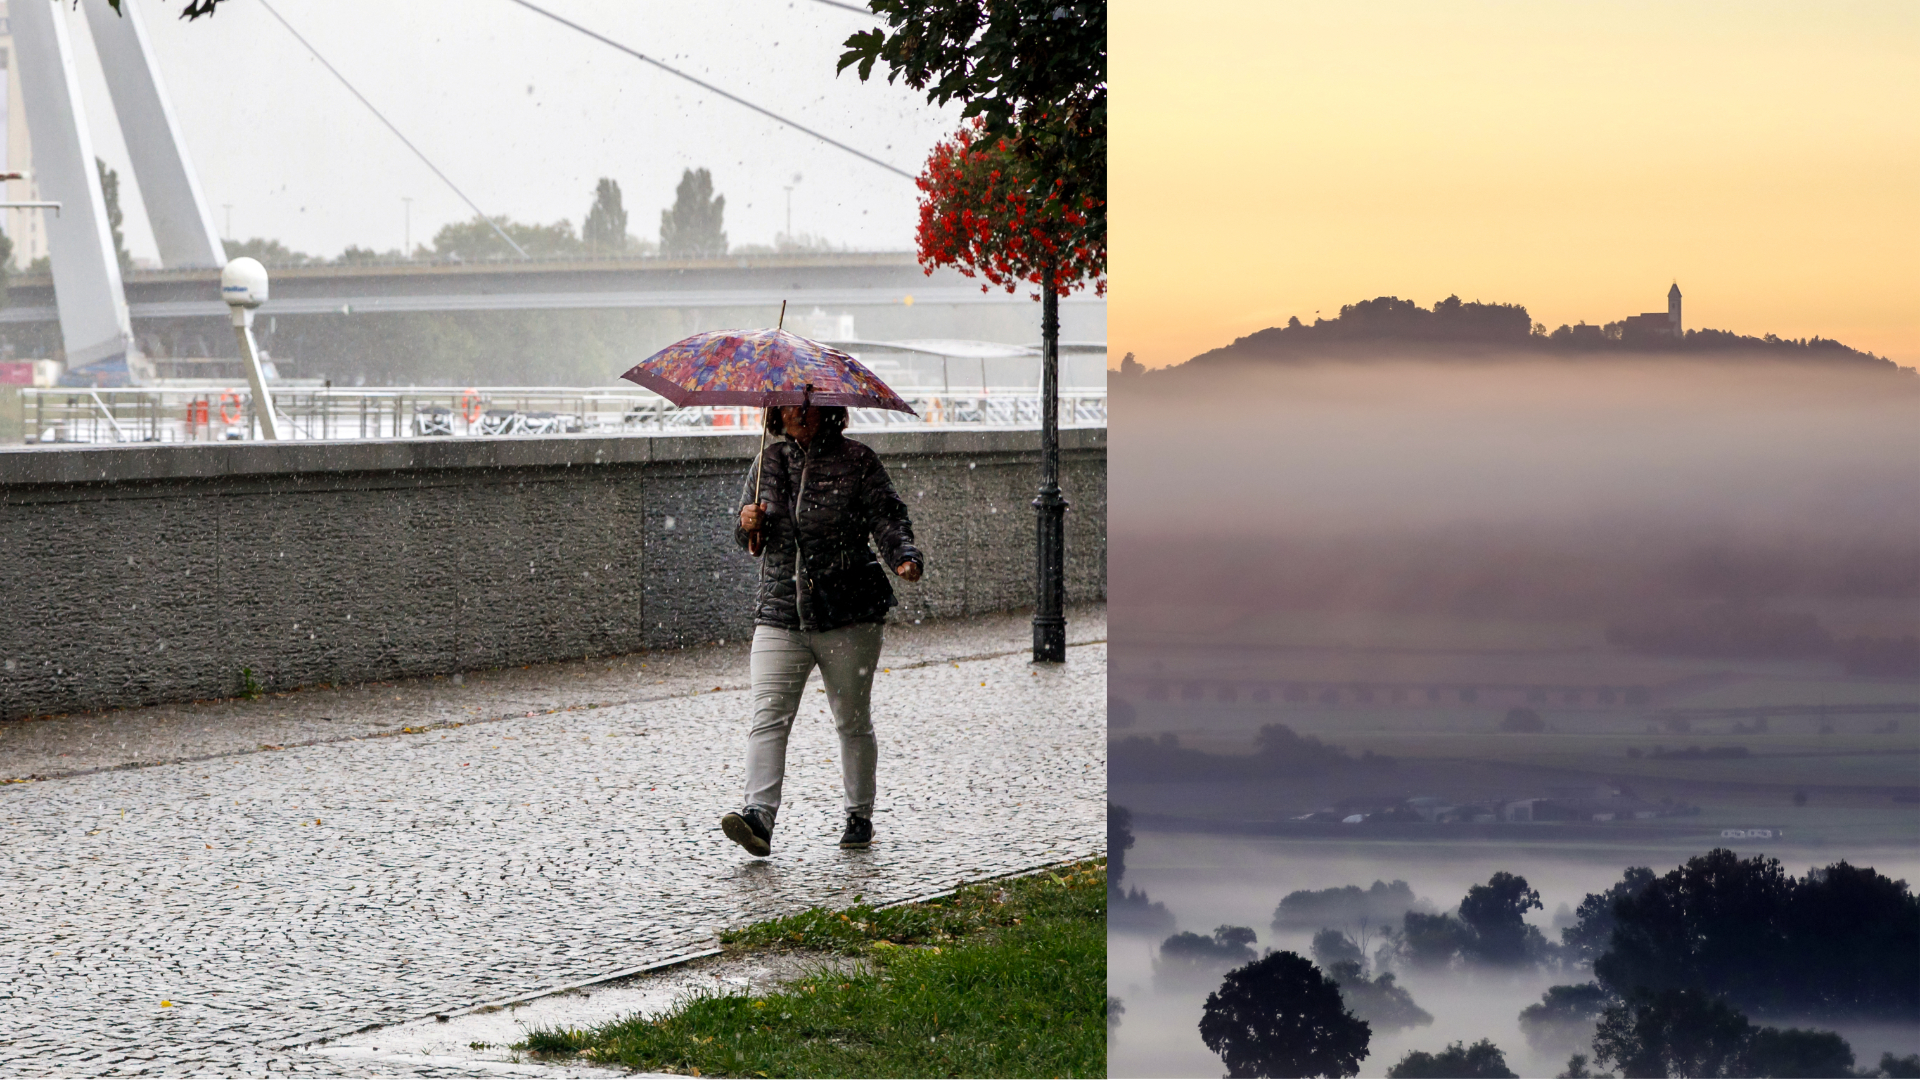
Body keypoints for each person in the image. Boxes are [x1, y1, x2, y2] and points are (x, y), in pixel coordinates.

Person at [720, 403, 922, 857]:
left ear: (829, 408)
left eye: (809, 403)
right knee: (768, 717)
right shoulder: (767, 462)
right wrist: (747, 524)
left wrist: (903, 556)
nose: (799, 412)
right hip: (780, 613)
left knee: (851, 719)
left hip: (849, 613)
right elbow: (749, 538)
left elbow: (887, 518)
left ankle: (858, 815)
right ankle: (758, 817)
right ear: (777, 411)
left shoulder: (858, 460)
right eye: (789, 404)